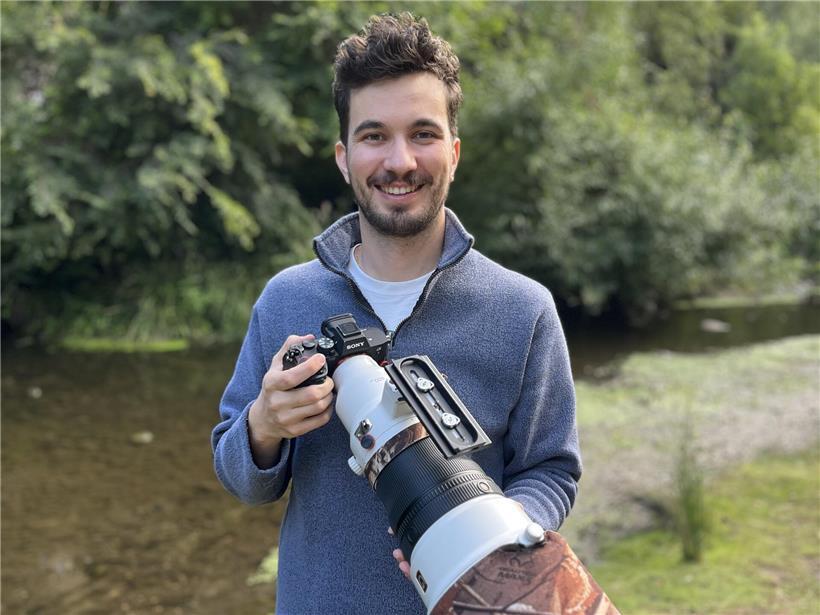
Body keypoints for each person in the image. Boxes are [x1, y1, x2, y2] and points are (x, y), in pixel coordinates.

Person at [211, 13, 581, 615]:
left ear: (454, 153)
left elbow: (551, 469)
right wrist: (263, 424)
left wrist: (488, 539)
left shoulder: (523, 309)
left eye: (423, 134)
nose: (400, 160)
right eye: (375, 135)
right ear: (344, 156)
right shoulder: (286, 300)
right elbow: (240, 477)